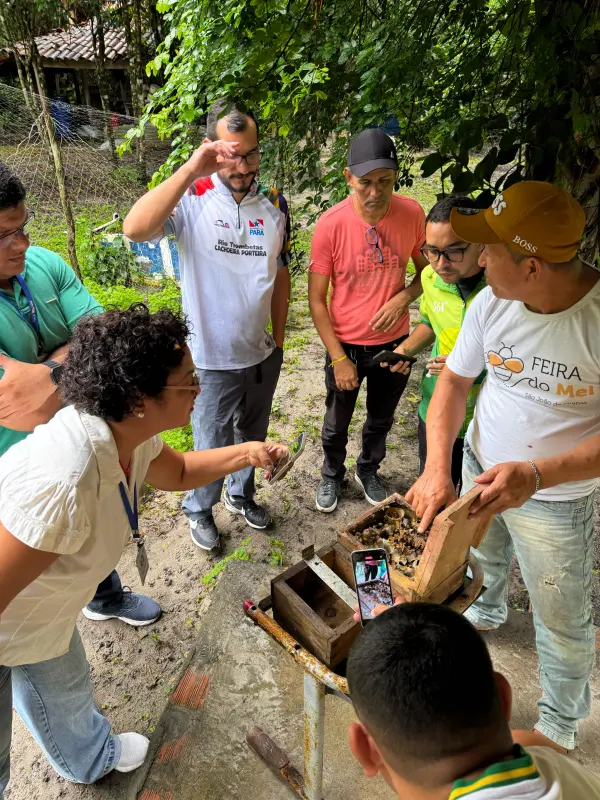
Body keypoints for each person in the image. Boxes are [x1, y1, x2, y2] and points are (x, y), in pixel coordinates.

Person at [0, 305, 288, 797]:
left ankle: (89, 758)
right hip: (10, 611)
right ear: (138, 398)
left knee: (64, 684)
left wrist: (247, 452)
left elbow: (177, 474)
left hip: (46, 608)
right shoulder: (63, 484)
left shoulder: (127, 433)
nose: (199, 388)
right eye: (188, 381)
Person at [406, 181, 600, 753]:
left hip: (555, 499)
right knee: (482, 556)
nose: (478, 259)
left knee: (561, 614)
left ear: (534, 267)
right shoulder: (492, 302)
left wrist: (536, 476)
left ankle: (560, 726)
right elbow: (455, 381)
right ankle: (488, 608)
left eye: (489, 250)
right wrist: (438, 466)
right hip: (480, 464)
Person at [124, 101, 291, 552]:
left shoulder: (275, 204)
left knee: (252, 435)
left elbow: (280, 274)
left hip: (260, 355)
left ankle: (241, 495)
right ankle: (199, 508)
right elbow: (135, 228)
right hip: (209, 359)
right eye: (230, 154)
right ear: (213, 151)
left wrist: (278, 340)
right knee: (209, 440)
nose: (241, 166)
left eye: (250, 154)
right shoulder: (193, 198)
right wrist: (190, 168)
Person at [0, 162, 160, 627]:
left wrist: (45, 373)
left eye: (23, 227)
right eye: (4, 235)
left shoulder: (46, 264)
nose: (23, 244)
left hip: (82, 436)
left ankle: (105, 596)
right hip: (17, 472)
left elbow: (105, 337)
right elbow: (19, 406)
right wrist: (73, 359)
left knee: (91, 516)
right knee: (33, 589)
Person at [347, 602, 600, 799]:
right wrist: (425, 633)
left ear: (366, 750)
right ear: (503, 697)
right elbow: (527, 742)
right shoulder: (553, 764)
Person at [309, 128, 428, 513]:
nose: (375, 192)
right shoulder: (331, 224)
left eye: (385, 182)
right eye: (365, 183)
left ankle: (368, 469)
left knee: (381, 417)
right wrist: (339, 358)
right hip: (345, 343)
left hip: (395, 342)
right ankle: (331, 474)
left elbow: (428, 273)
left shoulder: (412, 214)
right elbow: (315, 299)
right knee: (336, 421)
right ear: (348, 178)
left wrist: (404, 298)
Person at [388, 195, 486, 489]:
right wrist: (403, 351)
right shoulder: (430, 277)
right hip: (436, 408)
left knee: (475, 503)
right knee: (432, 488)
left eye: (453, 252)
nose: (440, 264)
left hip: (485, 419)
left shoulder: (502, 288)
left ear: (481, 244)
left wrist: (468, 368)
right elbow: (430, 323)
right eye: (432, 251)